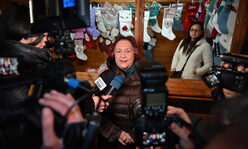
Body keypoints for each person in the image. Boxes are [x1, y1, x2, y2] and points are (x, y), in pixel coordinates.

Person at [96, 35, 141, 149]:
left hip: (137, 140)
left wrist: (134, 134)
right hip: (110, 141)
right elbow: (95, 111)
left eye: (127, 51)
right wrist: (117, 134)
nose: (123, 55)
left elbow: (152, 112)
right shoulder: (105, 77)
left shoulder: (145, 77)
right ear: (114, 54)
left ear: (134, 53)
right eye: (119, 51)